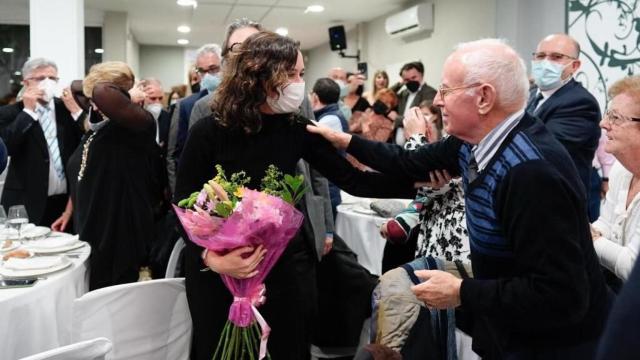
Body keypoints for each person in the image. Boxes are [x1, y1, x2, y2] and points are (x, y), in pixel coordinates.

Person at [308, 38, 610, 359]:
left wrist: (461, 291)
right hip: (511, 329)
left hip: (554, 344)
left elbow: (560, 295)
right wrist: (344, 141)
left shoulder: (530, 172)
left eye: (446, 90)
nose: (437, 101)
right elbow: (407, 161)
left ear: (483, 98)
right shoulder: (473, 142)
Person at [174, 31, 413, 360]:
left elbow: (354, 181)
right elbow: (184, 203)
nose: (300, 83)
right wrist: (211, 259)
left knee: (289, 345)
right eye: (293, 74)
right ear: (262, 75)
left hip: (285, 270)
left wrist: (418, 181)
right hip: (218, 272)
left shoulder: (295, 128)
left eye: (301, 74)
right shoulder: (209, 131)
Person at [64, 61, 157, 290]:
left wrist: (127, 93)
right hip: (91, 231)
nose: (94, 105)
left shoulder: (137, 126)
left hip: (118, 237)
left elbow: (100, 91)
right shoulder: (99, 130)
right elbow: (79, 88)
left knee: (113, 308)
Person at [0, 58, 85, 227]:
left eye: (52, 78)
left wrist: (76, 111)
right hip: (26, 201)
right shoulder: (10, 113)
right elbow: (7, 147)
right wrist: (28, 112)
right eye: (40, 78)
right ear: (26, 83)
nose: (47, 83)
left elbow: (85, 142)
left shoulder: (66, 109)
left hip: (64, 203)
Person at [526, 33, 601, 206]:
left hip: (556, 203)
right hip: (527, 198)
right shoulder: (529, 94)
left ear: (574, 66)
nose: (545, 62)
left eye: (556, 57)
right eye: (540, 56)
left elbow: (541, 149)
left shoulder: (580, 103)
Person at [590, 75, 640, 283]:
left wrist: (590, 238)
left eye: (615, 118)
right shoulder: (621, 169)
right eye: (607, 115)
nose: (603, 124)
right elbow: (606, 224)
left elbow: (632, 267)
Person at [167, 44, 222, 191]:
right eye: (202, 71)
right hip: (200, 187)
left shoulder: (241, 100)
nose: (208, 76)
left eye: (213, 69)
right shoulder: (187, 105)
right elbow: (174, 154)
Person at [387, 61, 437, 145]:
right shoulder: (404, 93)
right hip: (398, 146)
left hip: (417, 145)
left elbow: (423, 120)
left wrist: (397, 118)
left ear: (421, 75)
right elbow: (386, 95)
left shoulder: (430, 92)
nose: (411, 81)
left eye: (414, 77)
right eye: (407, 79)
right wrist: (400, 84)